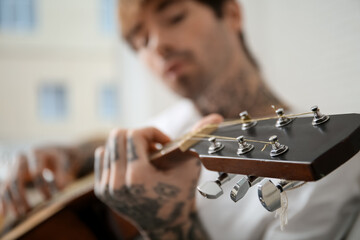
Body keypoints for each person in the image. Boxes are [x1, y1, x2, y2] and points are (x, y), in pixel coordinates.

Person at [1, 0, 359, 239]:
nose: (156, 45)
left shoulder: (333, 169)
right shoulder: (179, 122)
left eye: (174, 17)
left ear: (231, 13)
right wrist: (67, 154)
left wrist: (169, 229)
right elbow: (107, 142)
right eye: (139, 42)